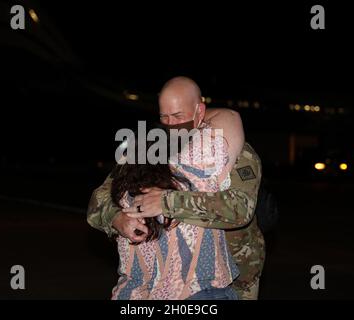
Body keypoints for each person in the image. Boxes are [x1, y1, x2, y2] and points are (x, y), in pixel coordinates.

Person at [88, 77, 265, 299]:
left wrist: (168, 202)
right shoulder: (152, 149)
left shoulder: (233, 149)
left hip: (235, 276)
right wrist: (116, 219)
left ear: (200, 112)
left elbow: (240, 209)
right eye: (165, 117)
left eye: (179, 116)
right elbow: (100, 197)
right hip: (166, 283)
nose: (171, 125)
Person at [110, 126, 239, 299]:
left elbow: (135, 275)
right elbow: (226, 132)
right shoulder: (198, 183)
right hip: (205, 293)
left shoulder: (126, 205)